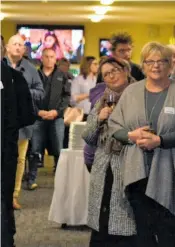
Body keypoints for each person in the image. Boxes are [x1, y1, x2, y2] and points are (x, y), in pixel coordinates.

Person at [108, 42, 175, 247]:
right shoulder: (131, 92)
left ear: (170, 65)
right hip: (137, 173)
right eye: (150, 61)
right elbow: (114, 126)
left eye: (162, 61)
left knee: (168, 232)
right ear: (142, 65)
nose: (156, 66)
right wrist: (131, 136)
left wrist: (160, 141)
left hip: (170, 172)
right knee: (142, 233)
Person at [81, 57, 137, 246]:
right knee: (102, 221)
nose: (111, 76)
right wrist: (99, 119)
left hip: (128, 166)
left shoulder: (140, 95)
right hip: (103, 168)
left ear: (125, 70)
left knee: (125, 223)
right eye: (106, 74)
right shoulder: (103, 100)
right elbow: (88, 136)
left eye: (114, 70)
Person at [1, 34, 35, 247]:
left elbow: (27, 115)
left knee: (3, 195)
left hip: (5, 148)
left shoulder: (15, 78)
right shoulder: (13, 76)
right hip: (6, 145)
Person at [5, 35, 44, 195]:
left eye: (21, 45)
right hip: (3, 120)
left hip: (22, 122)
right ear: (7, 47)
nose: (18, 47)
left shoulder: (31, 69)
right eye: (14, 44)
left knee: (20, 159)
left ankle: (14, 194)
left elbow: (41, 92)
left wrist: (24, 92)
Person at [26, 48, 70, 188]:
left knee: (58, 149)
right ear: (41, 58)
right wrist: (38, 112)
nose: (49, 59)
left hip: (56, 118)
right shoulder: (34, 75)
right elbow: (28, 96)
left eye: (52, 57)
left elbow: (66, 97)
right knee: (35, 149)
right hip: (38, 118)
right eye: (47, 56)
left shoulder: (62, 75)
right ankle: (31, 179)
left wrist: (57, 112)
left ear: (55, 59)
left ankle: (60, 179)